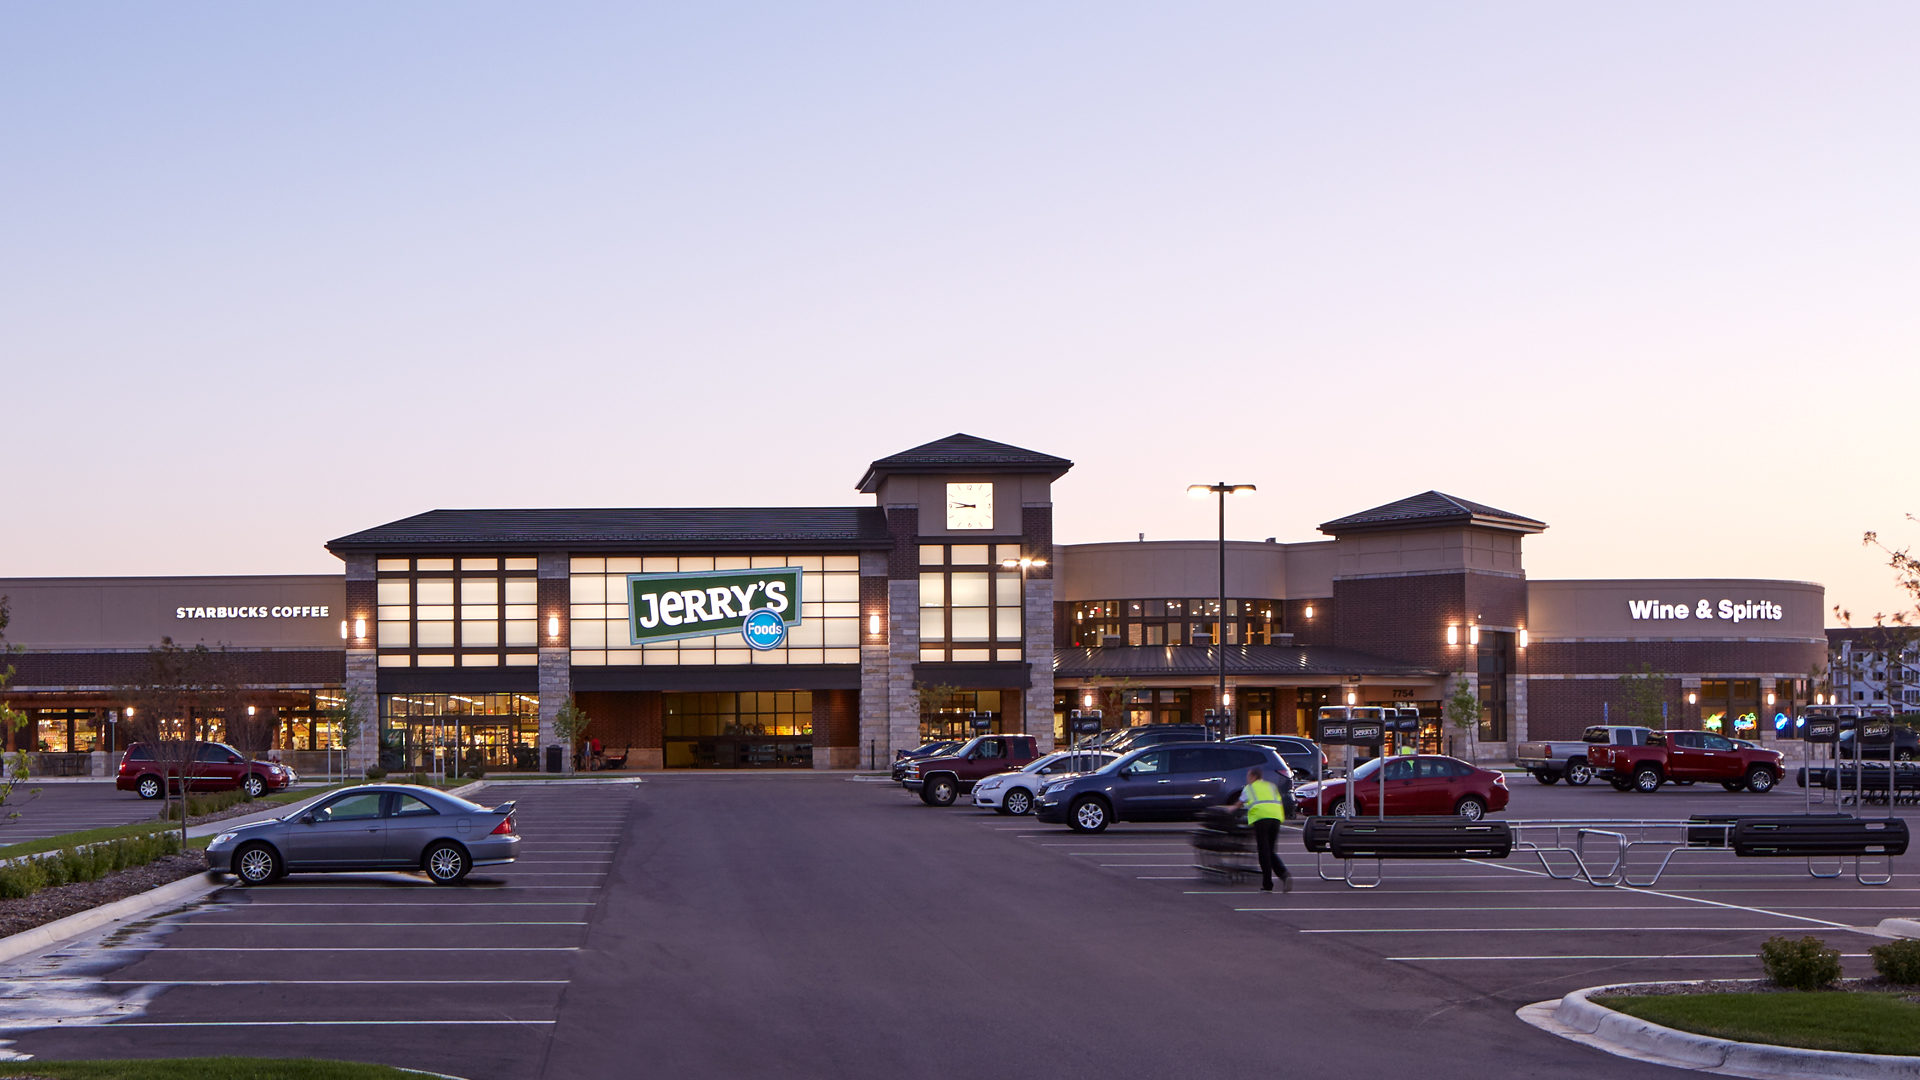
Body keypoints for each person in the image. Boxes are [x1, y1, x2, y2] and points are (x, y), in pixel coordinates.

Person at [1232, 766, 1291, 893]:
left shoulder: (1249, 788)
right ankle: (1284, 874)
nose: (1247, 779)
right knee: (1270, 850)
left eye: (1248, 776)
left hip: (1261, 818)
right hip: (1276, 817)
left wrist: (1229, 810)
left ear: (1253, 776)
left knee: (1263, 852)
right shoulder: (1271, 786)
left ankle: (1267, 884)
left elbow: (1239, 804)